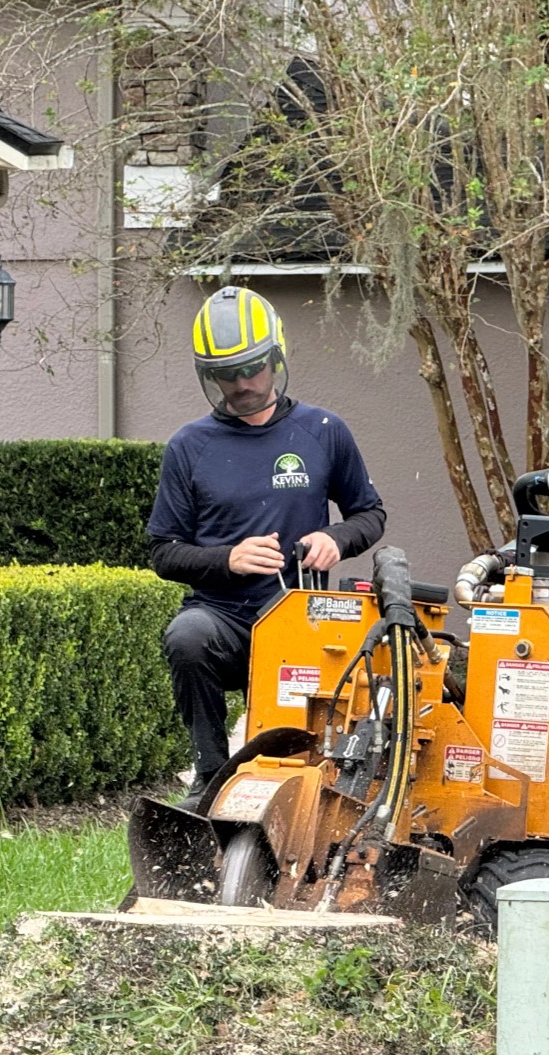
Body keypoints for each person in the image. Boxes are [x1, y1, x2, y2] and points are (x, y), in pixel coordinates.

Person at [147, 286, 386, 807]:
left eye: (252, 368)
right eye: (225, 374)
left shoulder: (323, 431)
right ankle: (208, 776)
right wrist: (225, 559)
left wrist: (335, 538)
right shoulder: (189, 446)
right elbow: (163, 551)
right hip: (224, 619)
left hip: (303, 617)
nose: (242, 384)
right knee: (186, 636)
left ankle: (324, 790)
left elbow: (370, 515)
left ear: (276, 358)